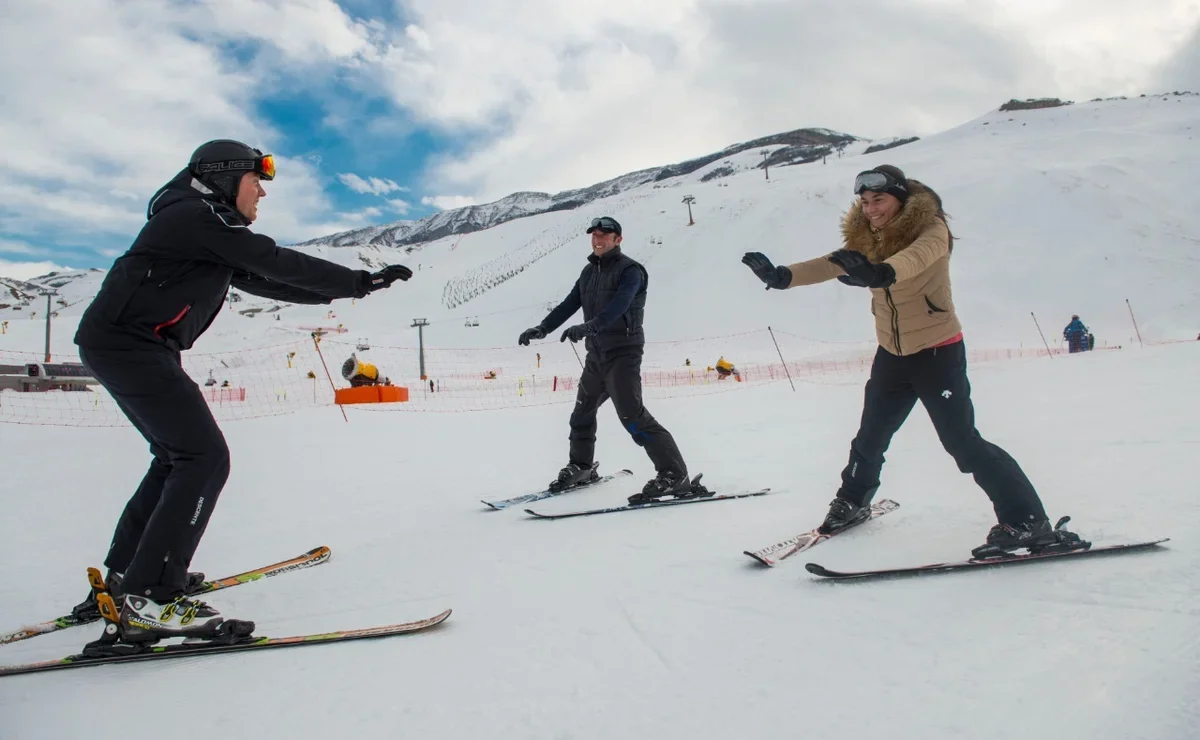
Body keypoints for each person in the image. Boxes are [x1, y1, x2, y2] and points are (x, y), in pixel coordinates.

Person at [72, 139, 412, 649]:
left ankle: (128, 577)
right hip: (130, 346)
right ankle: (151, 597)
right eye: (258, 182)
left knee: (175, 458)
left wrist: (360, 286)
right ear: (225, 178)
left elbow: (269, 280)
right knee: (203, 458)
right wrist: (357, 278)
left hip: (129, 345)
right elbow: (271, 258)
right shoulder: (195, 216)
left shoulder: (199, 226)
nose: (262, 194)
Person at [741, 165, 1080, 555]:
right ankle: (853, 501)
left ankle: (1027, 521)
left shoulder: (932, 230)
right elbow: (830, 263)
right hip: (893, 355)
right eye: (865, 202)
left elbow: (914, 259)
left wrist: (879, 273)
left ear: (900, 199)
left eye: (879, 200)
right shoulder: (867, 237)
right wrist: (783, 276)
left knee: (963, 443)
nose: (870, 209)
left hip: (938, 352)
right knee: (870, 438)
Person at [518, 216, 701, 505]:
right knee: (582, 413)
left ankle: (674, 475)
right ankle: (581, 467)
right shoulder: (589, 272)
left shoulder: (631, 270)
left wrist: (588, 326)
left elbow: (620, 305)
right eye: (595, 234)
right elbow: (569, 303)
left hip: (623, 353)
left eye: (606, 234)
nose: (598, 238)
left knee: (632, 416)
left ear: (618, 239)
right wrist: (543, 328)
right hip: (597, 355)